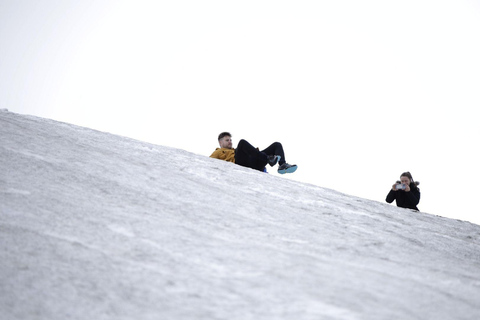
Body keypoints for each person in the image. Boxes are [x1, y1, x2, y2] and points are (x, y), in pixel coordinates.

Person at [210, 132, 297, 174]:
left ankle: (282, 165)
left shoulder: (234, 149)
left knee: (276, 145)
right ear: (220, 143)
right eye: (227, 140)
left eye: (230, 140)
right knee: (242, 143)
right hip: (240, 163)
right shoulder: (218, 152)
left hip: (253, 162)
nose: (230, 142)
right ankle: (268, 159)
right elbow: (207, 162)